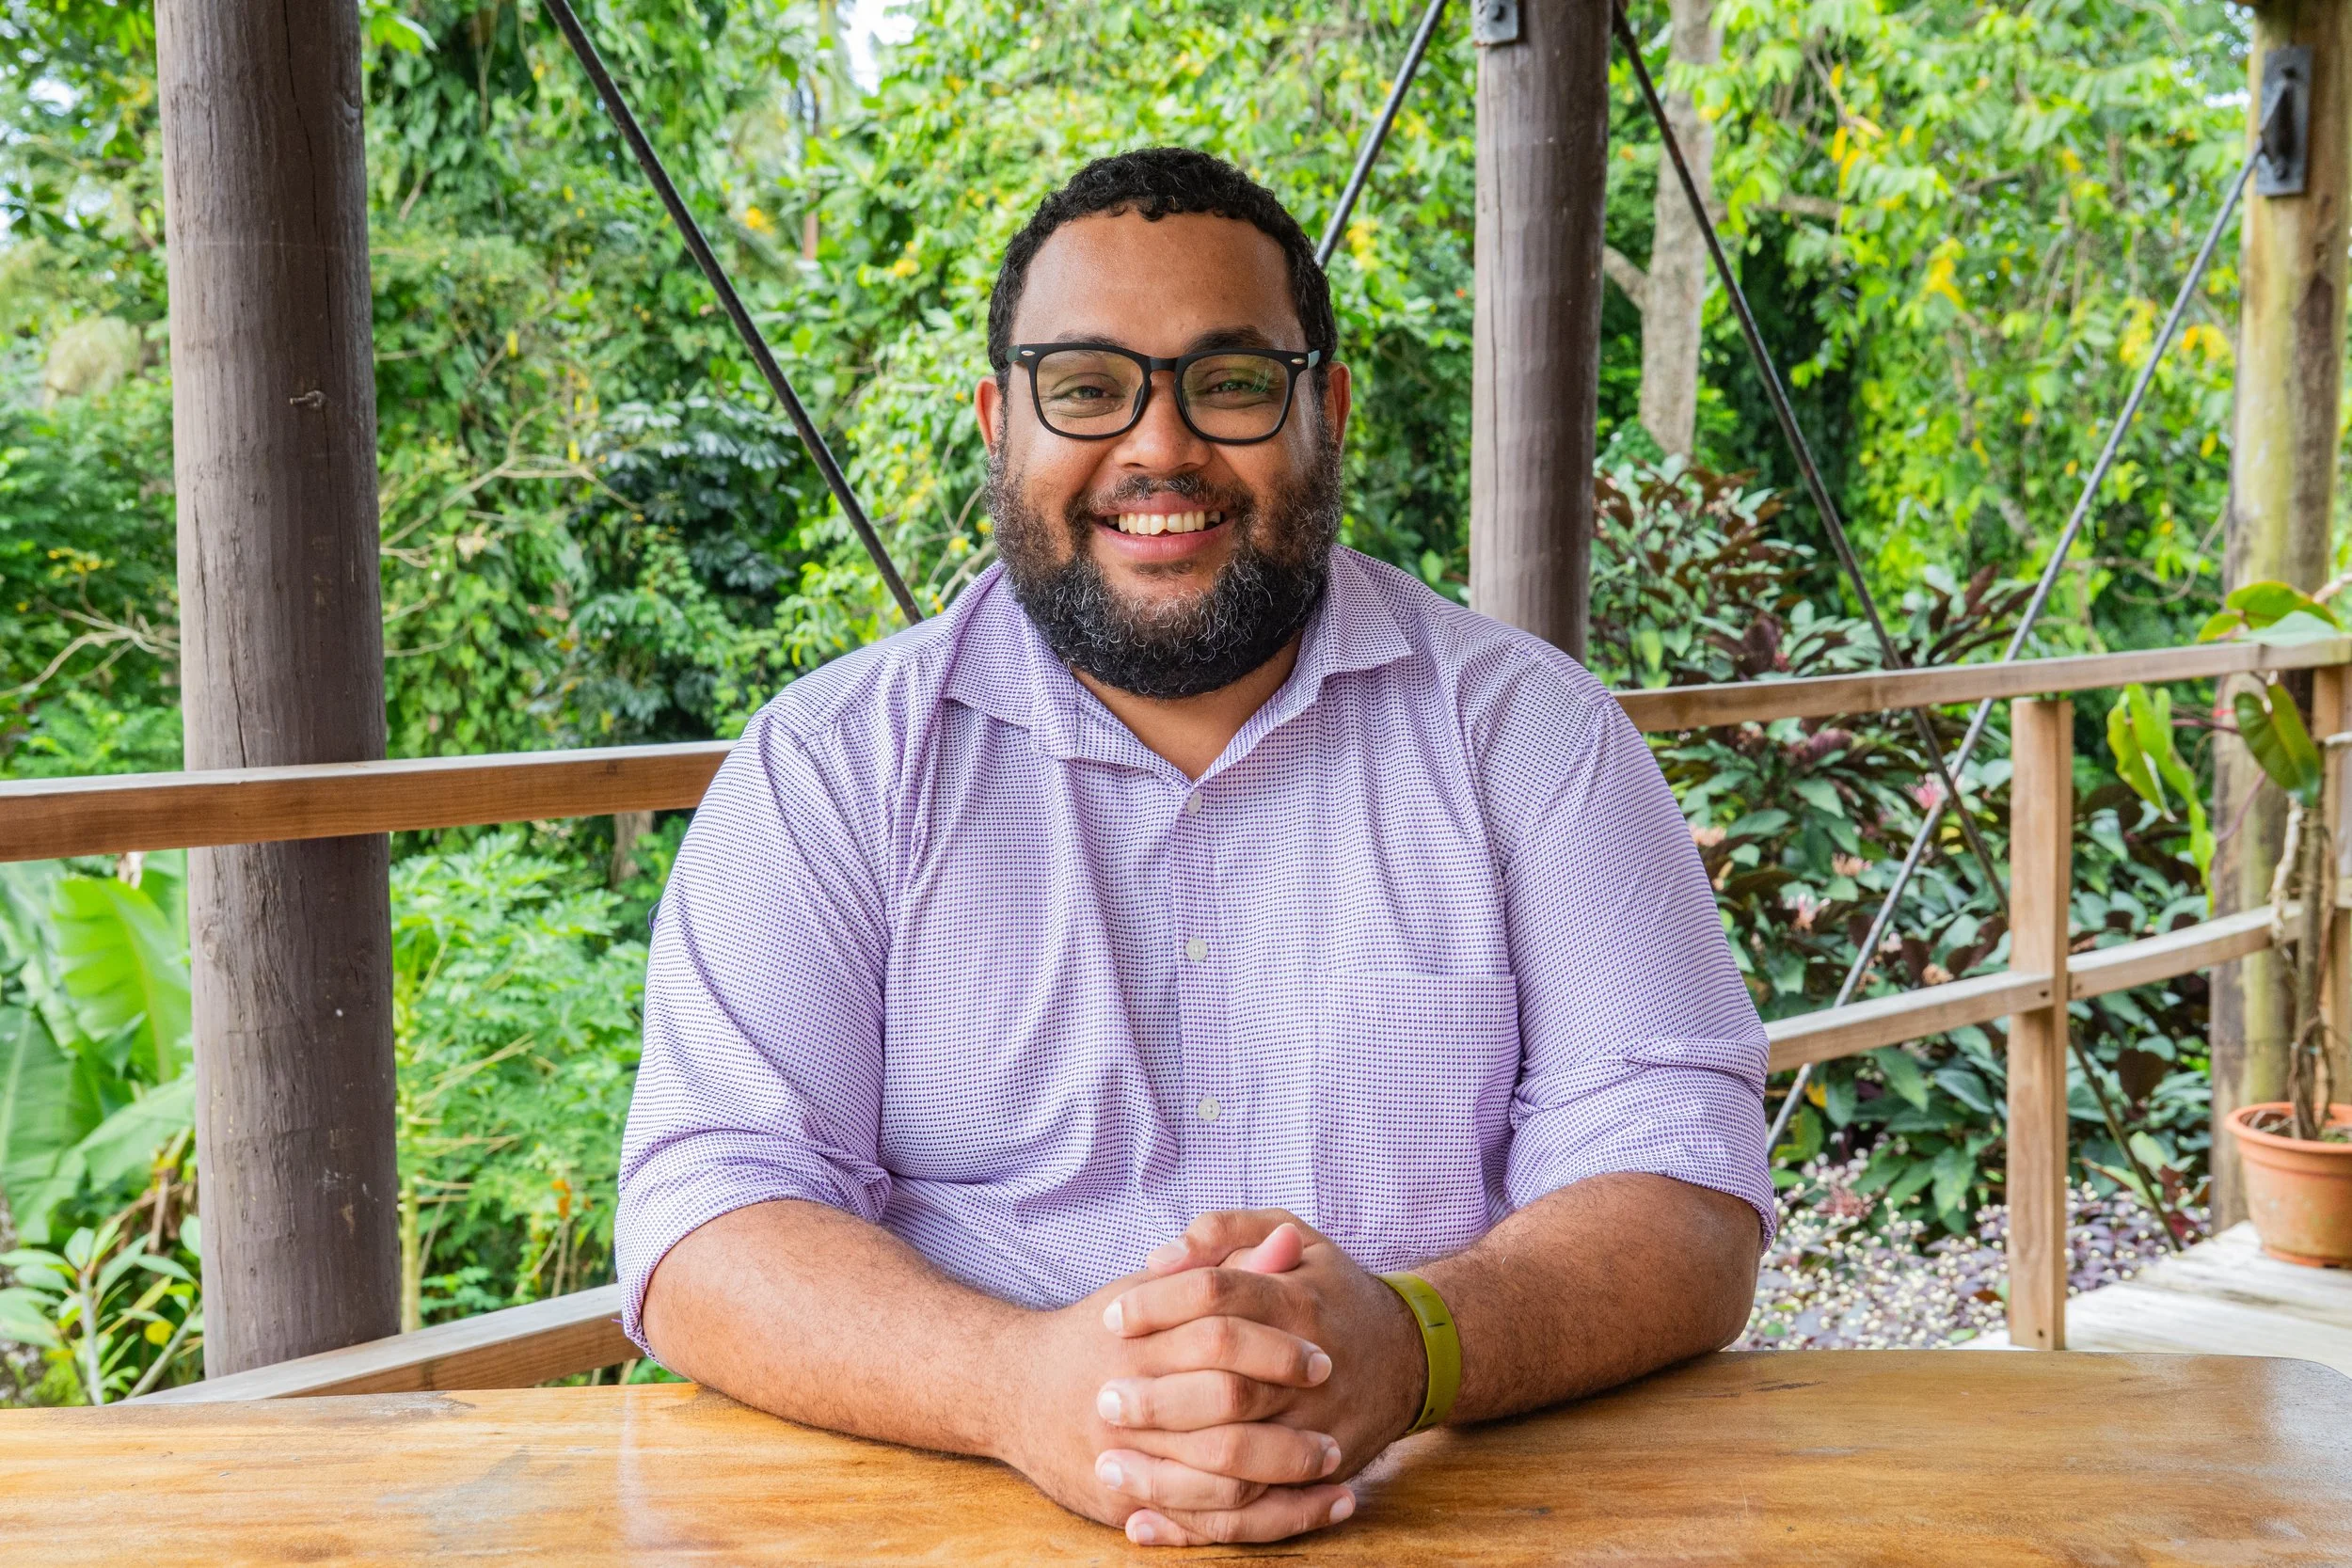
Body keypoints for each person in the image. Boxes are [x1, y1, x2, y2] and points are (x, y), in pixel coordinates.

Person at [615, 147, 1772, 1548]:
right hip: (943, 1516)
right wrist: (1024, 1387)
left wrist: (1410, 1345)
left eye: (1228, 383)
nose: (1158, 448)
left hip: (1448, 1512)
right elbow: (708, 1216)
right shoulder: (831, 766)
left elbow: (1687, 1199)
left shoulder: (1532, 738)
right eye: (1088, 388)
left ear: (1327, 410)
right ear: (999, 423)